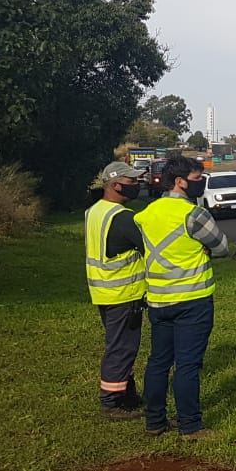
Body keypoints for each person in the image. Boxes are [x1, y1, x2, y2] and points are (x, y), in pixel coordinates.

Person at [134, 155, 228, 439]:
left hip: (158, 300)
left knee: (158, 362)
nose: (201, 184)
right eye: (198, 179)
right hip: (192, 300)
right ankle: (190, 426)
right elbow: (222, 246)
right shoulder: (193, 214)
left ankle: (155, 422)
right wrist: (205, 249)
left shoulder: (147, 213)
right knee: (187, 365)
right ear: (180, 181)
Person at [84, 161, 148, 420]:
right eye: (132, 182)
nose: (136, 186)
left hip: (103, 291)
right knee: (121, 347)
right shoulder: (122, 218)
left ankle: (126, 394)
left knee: (123, 345)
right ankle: (111, 402)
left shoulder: (94, 211)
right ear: (115, 184)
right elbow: (149, 246)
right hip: (124, 293)